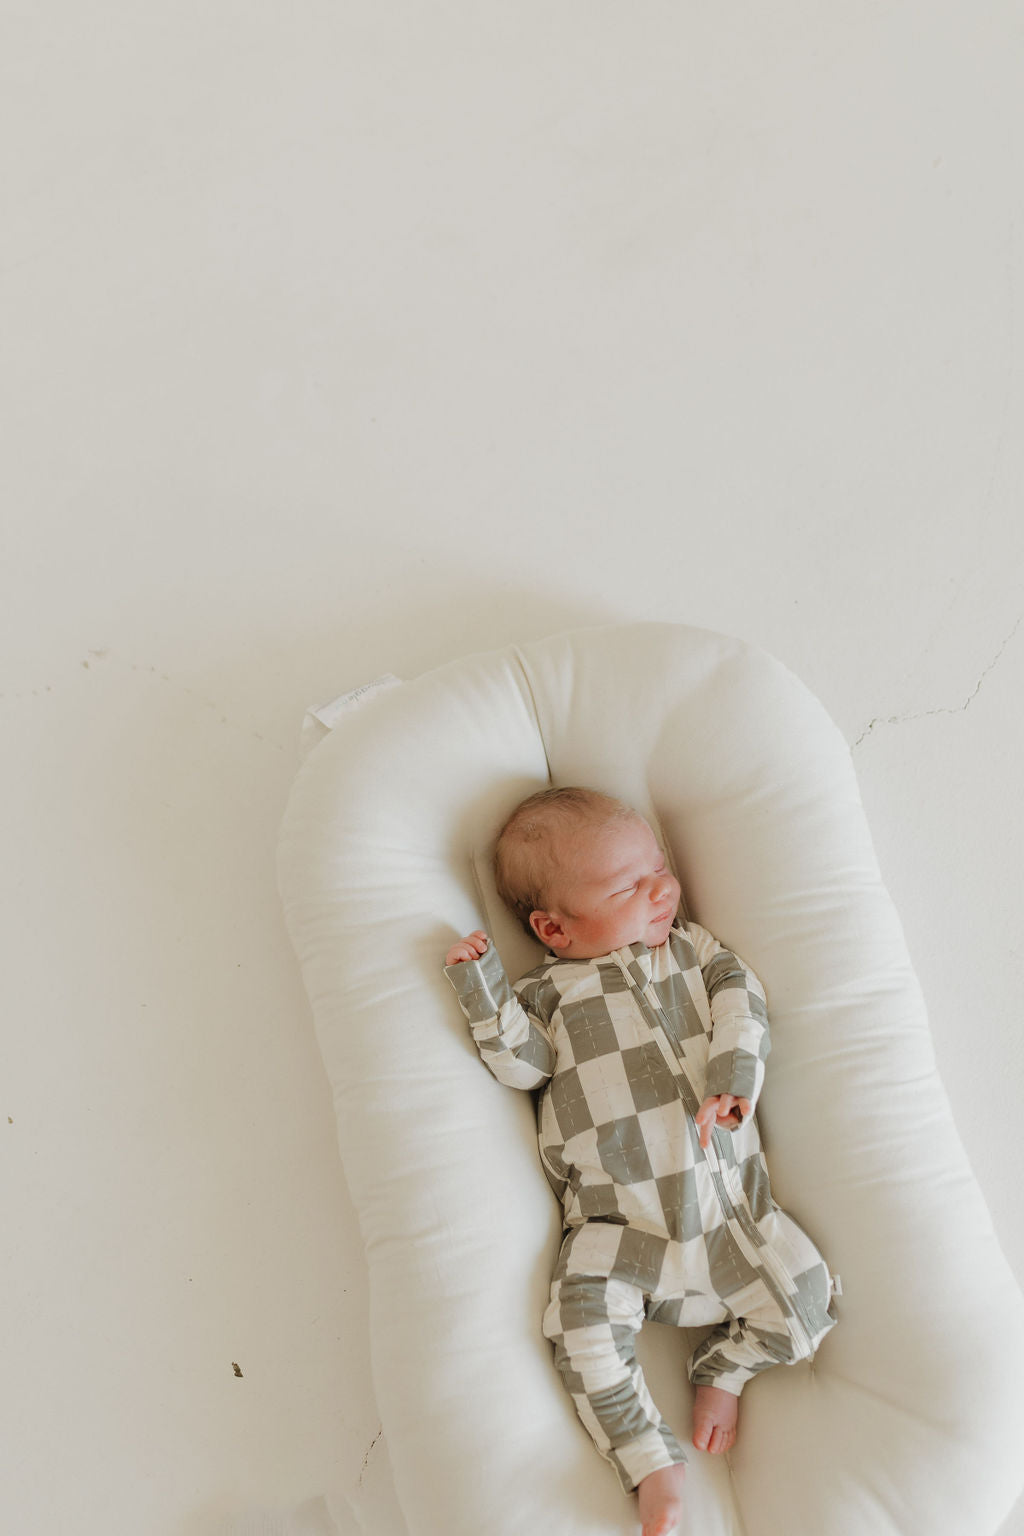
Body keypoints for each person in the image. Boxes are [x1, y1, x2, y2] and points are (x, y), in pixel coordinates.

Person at [444, 787, 837, 1536]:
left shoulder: (693, 952)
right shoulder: (547, 995)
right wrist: (483, 992)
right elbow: (520, 1066)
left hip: (732, 1219)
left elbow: (743, 1002)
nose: (663, 888)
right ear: (554, 928)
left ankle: (724, 1367)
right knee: (576, 1323)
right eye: (629, 885)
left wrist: (733, 1079)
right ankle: (646, 1457)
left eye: (659, 867)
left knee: (808, 1302)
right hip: (617, 1231)